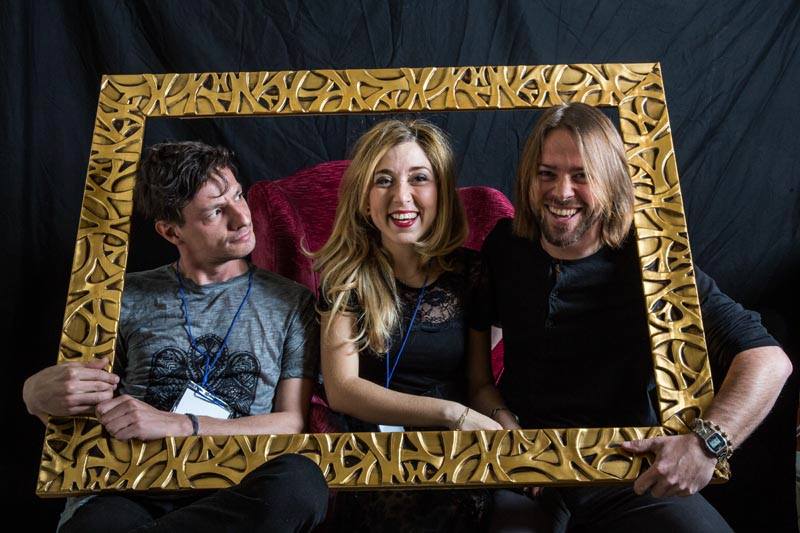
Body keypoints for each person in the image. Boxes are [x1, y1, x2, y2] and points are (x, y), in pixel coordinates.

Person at [469, 103, 792, 532]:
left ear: (610, 180)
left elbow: (769, 361)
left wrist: (706, 445)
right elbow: (477, 379)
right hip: (526, 471)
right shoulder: (505, 247)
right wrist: (506, 427)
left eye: (582, 175)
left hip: (628, 472)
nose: (561, 192)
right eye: (547, 173)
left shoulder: (653, 261)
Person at [23, 141, 328, 533]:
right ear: (171, 231)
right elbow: (77, 412)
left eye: (238, 196)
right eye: (216, 211)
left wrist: (183, 424)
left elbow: (291, 422)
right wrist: (34, 394)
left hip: (236, 485)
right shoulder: (119, 296)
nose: (241, 218)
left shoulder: (292, 301)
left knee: (301, 484)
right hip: (130, 486)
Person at [313, 119, 501, 531]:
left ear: (441, 194)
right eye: (383, 180)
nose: (401, 196)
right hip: (376, 449)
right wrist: (451, 413)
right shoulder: (344, 277)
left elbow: (479, 383)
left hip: (456, 450)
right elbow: (342, 389)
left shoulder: (471, 272)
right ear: (365, 201)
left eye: (419, 178)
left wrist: (506, 426)